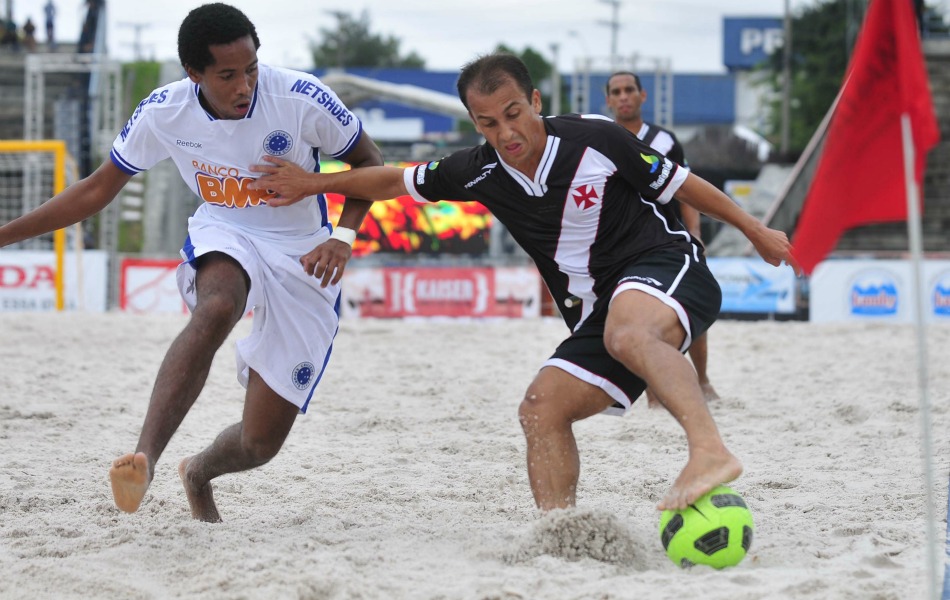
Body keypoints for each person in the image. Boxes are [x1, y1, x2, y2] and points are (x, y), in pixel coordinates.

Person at [247, 52, 801, 512]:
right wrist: (312, 182)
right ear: (475, 124)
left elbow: (685, 183)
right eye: (488, 123)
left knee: (629, 332)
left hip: (667, 264)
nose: (506, 133)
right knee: (541, 408)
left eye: (514, 113)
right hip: (600, 310)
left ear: (535, 102)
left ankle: (709, 451)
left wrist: (755, 230)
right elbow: (391, 178)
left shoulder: (597, 139)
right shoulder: (479, 170)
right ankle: (561, 536)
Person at [0, 3, 383, 522]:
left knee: (259, 444)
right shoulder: (164, 110)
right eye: (227, 75)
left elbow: (369, 163)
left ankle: (197, 473)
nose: (244, 84)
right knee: (218, 305)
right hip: (226, 230)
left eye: (250, 68)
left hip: (305, 255)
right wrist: (5, 236)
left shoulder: (299, 96)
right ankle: (144, 459)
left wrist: (343, 235)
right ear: (193, 74)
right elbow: (95, 190)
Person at [605, 70, 719, 405]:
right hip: (619, 244)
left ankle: (702, 378)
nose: (623, 96)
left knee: (687, 310)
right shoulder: (598, 139)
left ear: (643, 96)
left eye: (629, 90)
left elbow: (687, 191)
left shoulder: (666, 141)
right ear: (608, 100)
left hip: (669, 239)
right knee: (632, 317)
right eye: (616, 91)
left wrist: (695, 235)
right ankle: (651, 389)